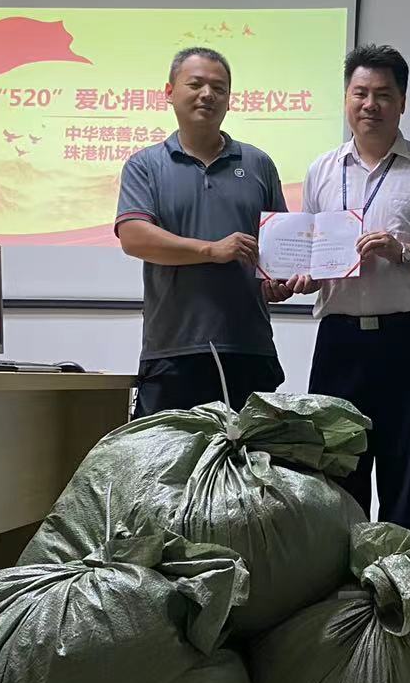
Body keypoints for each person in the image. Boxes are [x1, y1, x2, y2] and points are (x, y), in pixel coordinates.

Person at [292, 45, 410, 528]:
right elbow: (309, 254)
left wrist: (404, 252)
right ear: (346, 98)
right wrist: (300, 277)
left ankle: (398, 572)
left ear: (403, 102)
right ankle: (342, 576)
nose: (370, 104)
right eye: (360, 93)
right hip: (339, 342)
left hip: (406, 340)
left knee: (404, 473)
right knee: (335, 472)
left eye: (383, 94)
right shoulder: (322, 169)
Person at [115, 47, 291, 417]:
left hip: (248, 348)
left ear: (229, 99)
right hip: (173, 349)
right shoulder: (145, 165)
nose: (207, 94)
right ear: (169, 92)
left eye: (219, 88)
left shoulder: (258, 163)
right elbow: (134, 237)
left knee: (251, 456)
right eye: (195, 84)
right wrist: (210, 250)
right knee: (167, 455)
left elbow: (280, 250)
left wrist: (280, 283)